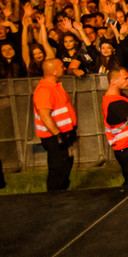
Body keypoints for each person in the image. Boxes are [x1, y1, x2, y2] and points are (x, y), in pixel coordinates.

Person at [32, 57, 79, 191]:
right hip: (54, 137)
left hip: (64, 134)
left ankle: (61, 192)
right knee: (58, 168)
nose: (64, 68)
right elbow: (44, 115)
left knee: (65, 165)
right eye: (61, 67)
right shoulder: (45, 90)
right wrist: (58, 135)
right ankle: (54, 196)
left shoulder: (55, 87)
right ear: (53, 72)